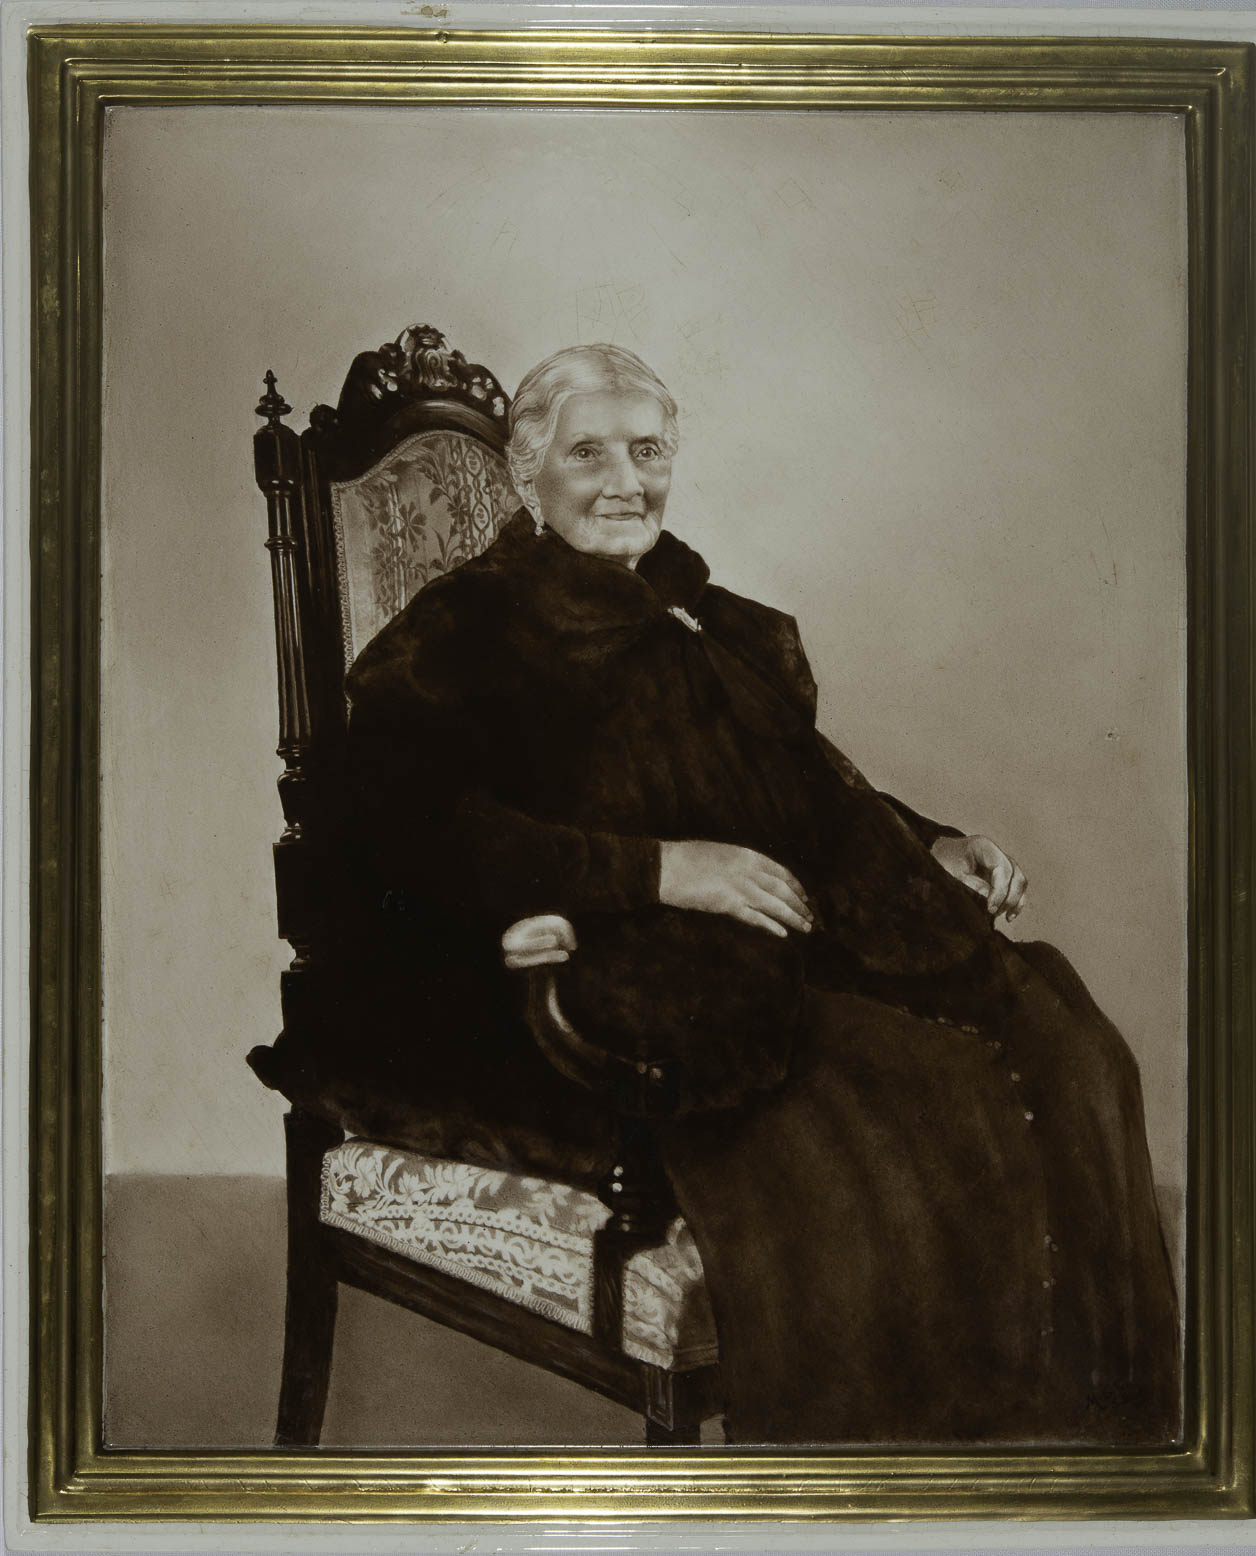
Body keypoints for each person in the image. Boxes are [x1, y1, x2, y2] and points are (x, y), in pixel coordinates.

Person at [266, 343, 1181, 1445]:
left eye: (648, 451)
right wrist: (664, 869)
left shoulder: (694, 617)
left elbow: (794, 787)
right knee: (908, 1090)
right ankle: (887, 1468)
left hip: (744, 954)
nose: (625, 481)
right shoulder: (465, 628)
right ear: (525, 475)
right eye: (589, 453)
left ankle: (1095, 1435)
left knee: (1063, 1037)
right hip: (560, 980)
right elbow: (407, 833)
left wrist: (927, 844)